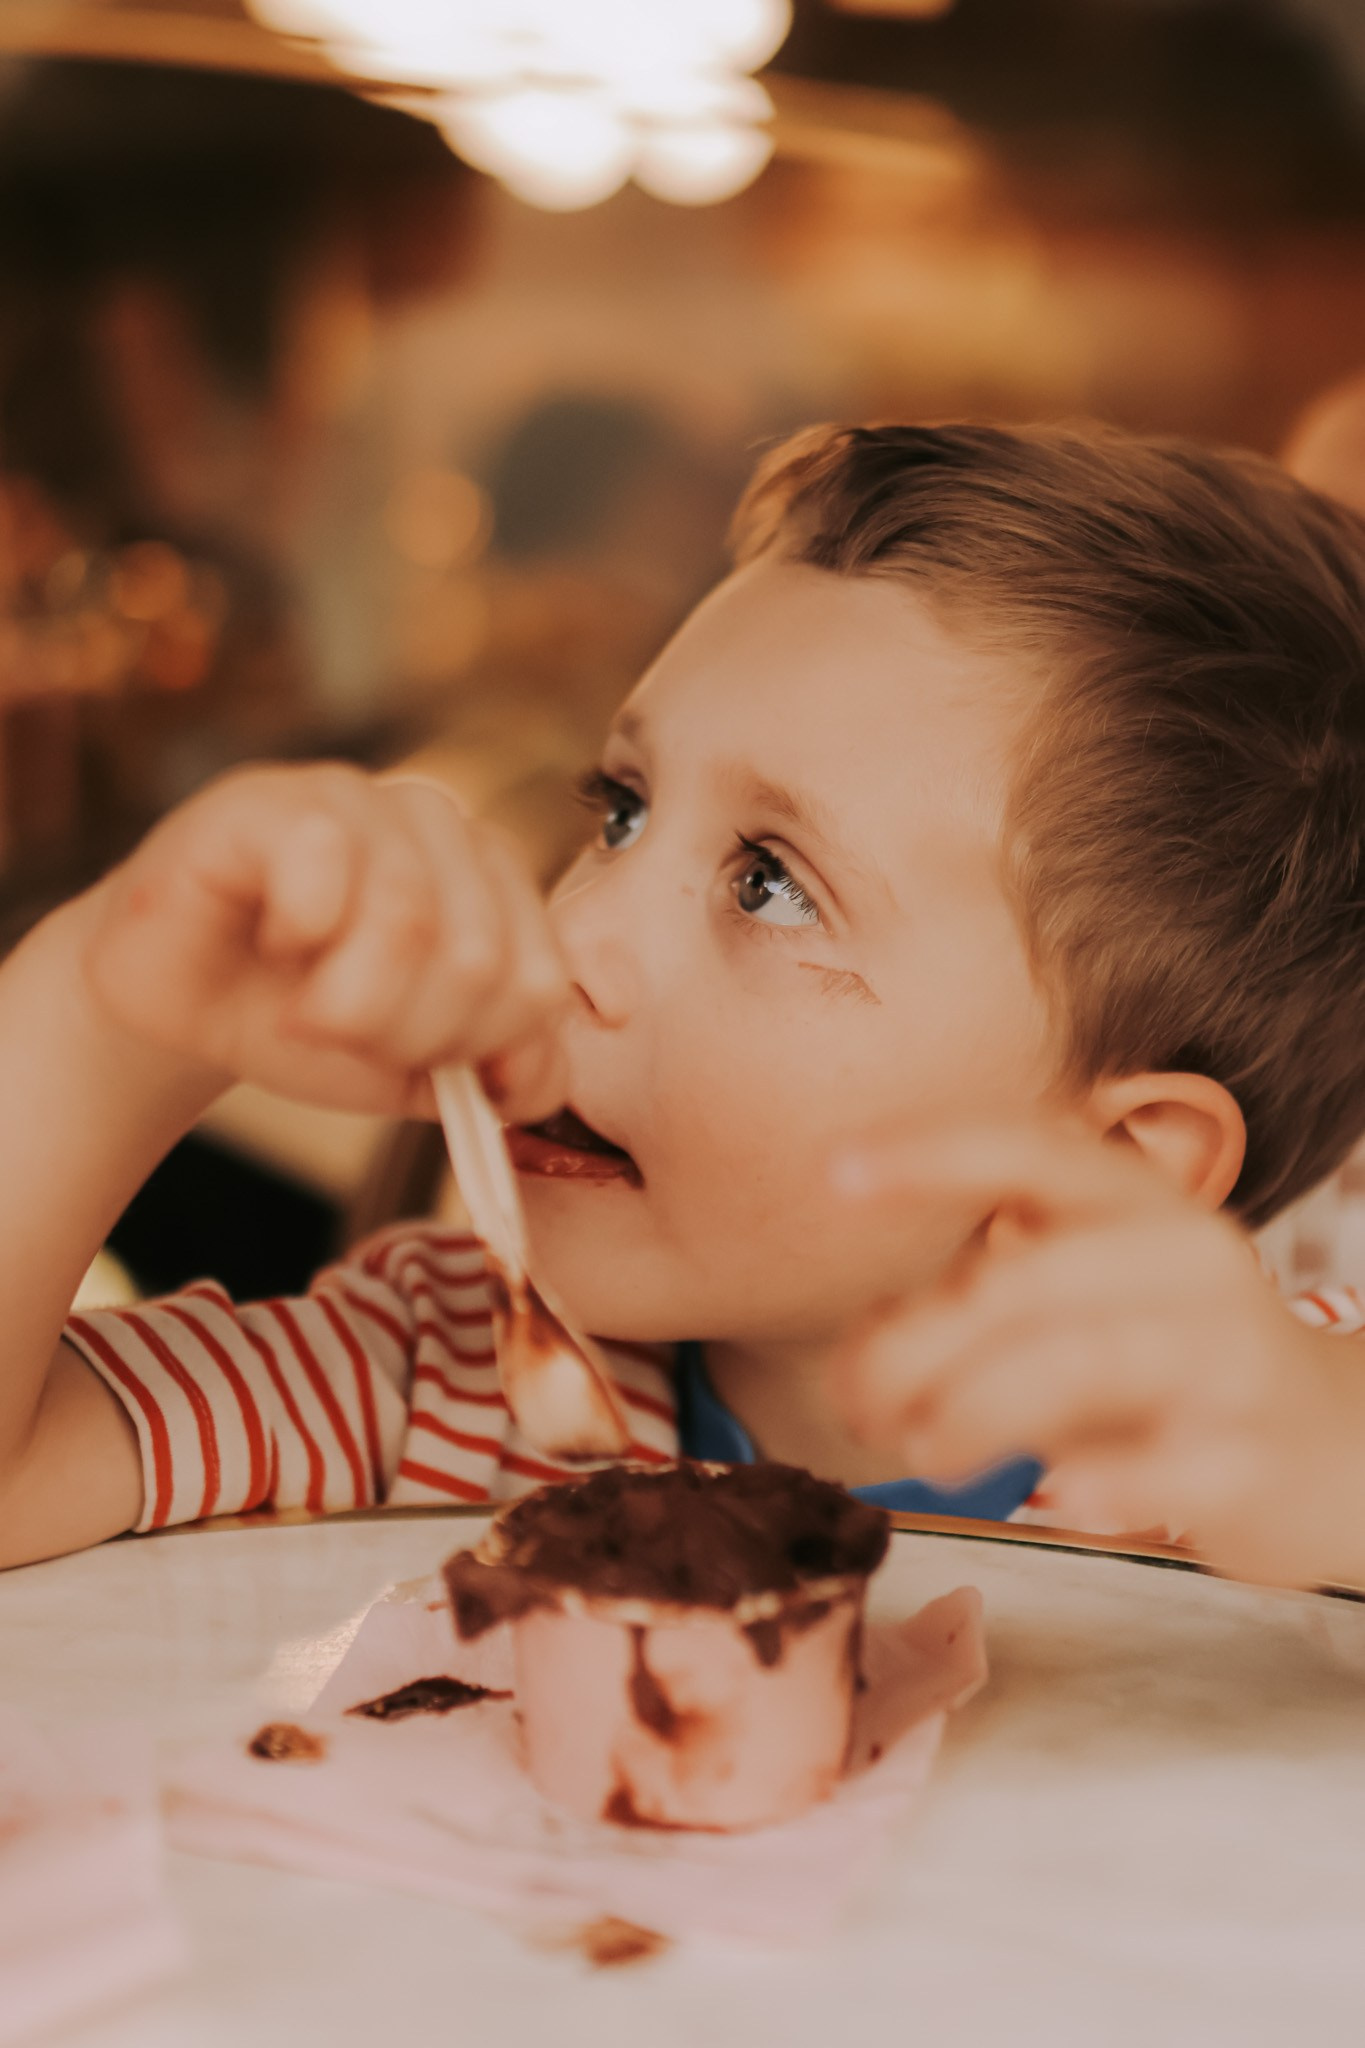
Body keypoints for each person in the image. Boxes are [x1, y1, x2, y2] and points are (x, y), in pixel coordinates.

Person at [2, 421, 1365, 1589]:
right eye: (622, 811)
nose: (568, 937)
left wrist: (1318, 1472)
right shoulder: (450, 1381)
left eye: (770, 885)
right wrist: (110, 1013)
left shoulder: (1270, 1444)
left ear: (1113, 1160)